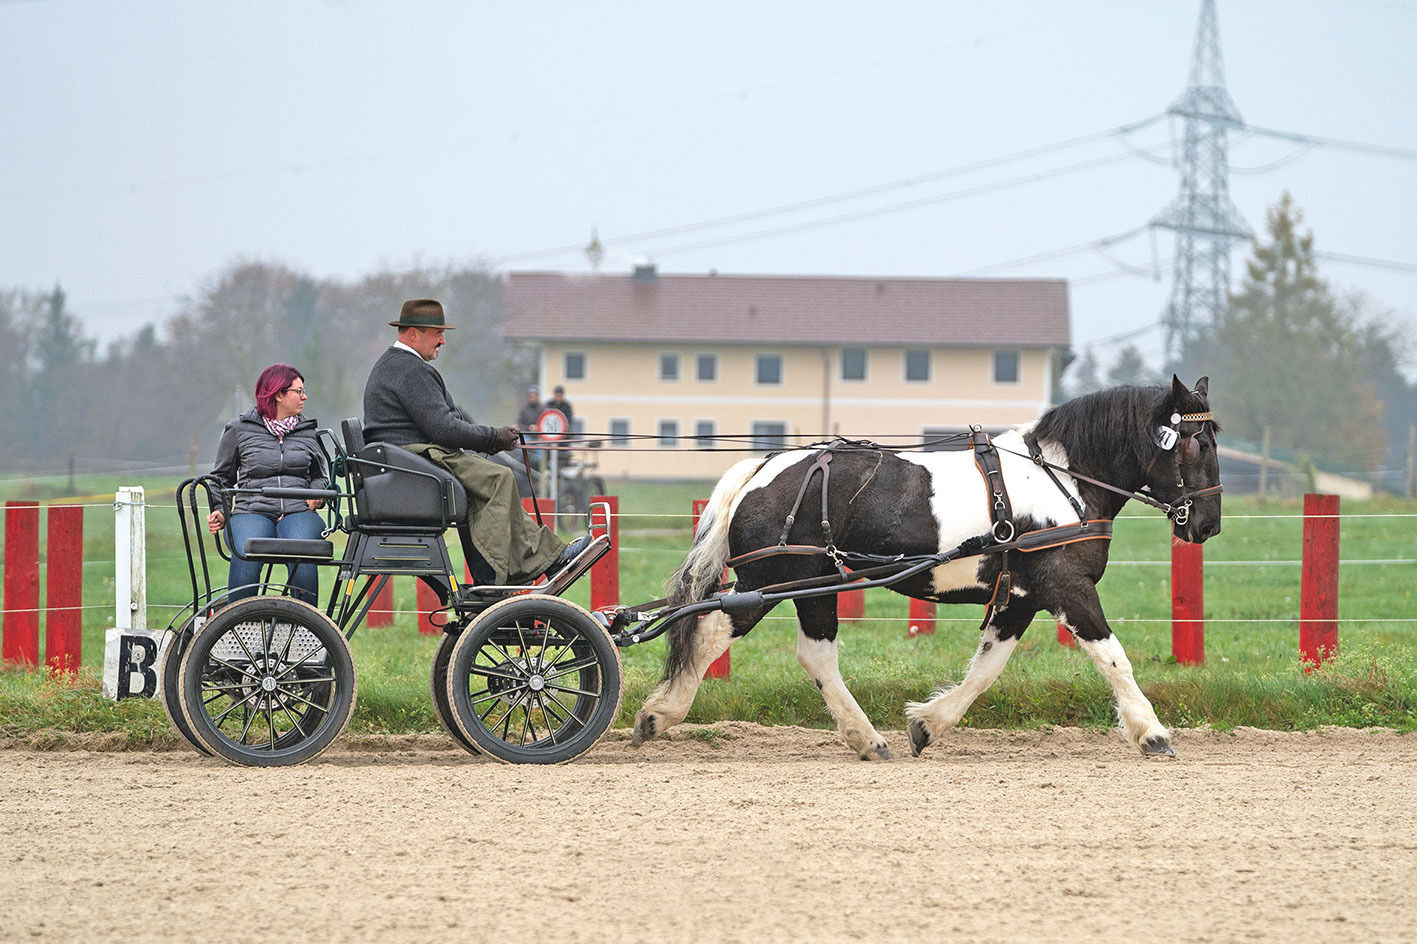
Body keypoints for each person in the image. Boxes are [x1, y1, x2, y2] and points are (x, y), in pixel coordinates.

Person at [361, 299, 590, 585]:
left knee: (494, 479)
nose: (442, 340)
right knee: (498, 478)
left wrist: (489, 434)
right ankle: (495, 576)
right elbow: (444, 428)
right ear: (412, 333)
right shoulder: (410, 370)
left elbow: (449, 420)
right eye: (436, 333)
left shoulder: (396, 366)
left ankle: (540, 560)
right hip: (416, 459)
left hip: (405, 460)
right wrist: (494, 438)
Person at [206, 363, 328, 605]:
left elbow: (320, 475)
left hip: (298, 511)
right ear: (279, 394)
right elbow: (221, 478)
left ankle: (307, 626)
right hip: (251, 510)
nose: (305, 396)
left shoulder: (308, 433)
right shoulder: (238, 431)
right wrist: (221, 509)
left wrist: (318, 493)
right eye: (299, 391)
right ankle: (238, 622)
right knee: (248, 548)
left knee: (302, 550)